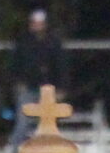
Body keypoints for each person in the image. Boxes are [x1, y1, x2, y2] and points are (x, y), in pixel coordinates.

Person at [9, 8, 67, 145]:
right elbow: (14, 65)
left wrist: (61, 88)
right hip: (28, 88)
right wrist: (17, 83)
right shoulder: (22, 42)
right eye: (35, 23)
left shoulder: (54, 43)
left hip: (49, 89)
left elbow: (61, 66)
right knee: (23, 123)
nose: (37, 26)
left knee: (48, 124)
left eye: (40, 23)